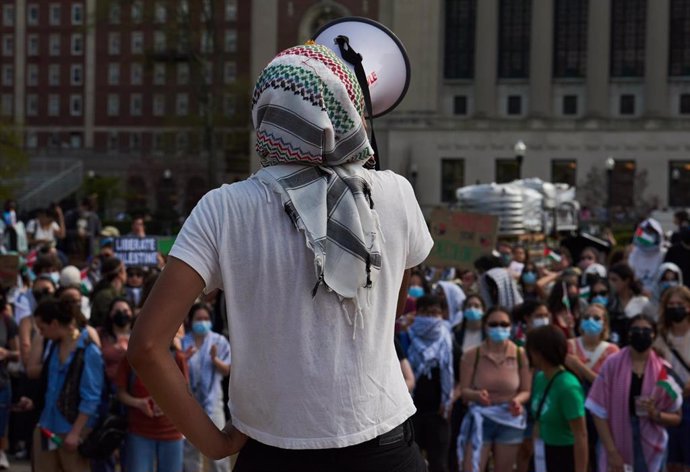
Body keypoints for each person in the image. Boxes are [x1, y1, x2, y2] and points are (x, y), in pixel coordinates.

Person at [127, 42, 433, 471]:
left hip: (273, 450)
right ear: (346, 108)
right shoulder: (396, 193)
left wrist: (214, 445)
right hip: (384, 442)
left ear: (264, 116)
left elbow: (146, 346)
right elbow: (390, 313)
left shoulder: (223, 208)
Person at [586, 314, 683, 472]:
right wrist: (611, 451)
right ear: (628, 333)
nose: (640, 333)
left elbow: (677, 417)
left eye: (646, 330)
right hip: (614, 440)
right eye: (635, 329)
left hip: (652, 443)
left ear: (654, 335)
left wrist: (655, 414)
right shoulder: (612, 364)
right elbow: (597, 410)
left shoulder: (663, 370)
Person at [27, 298, 104, 472]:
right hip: (47, 426)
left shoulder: (88, 351)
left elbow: (91, 397)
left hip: (71, 429)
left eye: (42, 328)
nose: (42, 333)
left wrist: (76, 433)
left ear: (54, 323)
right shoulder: (54, 346)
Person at [458, 307, 531, 472]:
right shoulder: (472, 355)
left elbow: (526, 390)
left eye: (504, 324)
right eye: (494, 324)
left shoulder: (520, 354)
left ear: (511, 326)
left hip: (509, 419)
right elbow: (464, 390)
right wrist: (476, 395)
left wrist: (517, 401)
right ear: (485, 326)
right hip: (480, 418)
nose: (499, 327)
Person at [115, 335, 188, 472]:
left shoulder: (177, 357)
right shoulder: (131, 358)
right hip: (139, 432)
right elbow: (121, 393)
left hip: (171, 433)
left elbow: (186, 395)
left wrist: (167, 404)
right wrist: (139, 403)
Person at [526, 325, 588, 472]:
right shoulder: (541, 378)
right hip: (543, 451)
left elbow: (580, 435)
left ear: (539, 353)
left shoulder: (568, 387)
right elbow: (538, 421)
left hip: (563, 455)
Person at [407, 295, 458, 472]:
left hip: (439, 413)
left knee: (439, 464)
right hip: (410, 413)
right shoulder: (406, 337)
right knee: (411, 463)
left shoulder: (449, 342)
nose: (430, 318)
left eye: (434, 313)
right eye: (425, 313)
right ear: (417, 314)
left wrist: (449, 401)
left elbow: (459, 377)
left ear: (441, 315)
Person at [181, 302, 232, 472]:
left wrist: (215, 359)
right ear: (190, 320)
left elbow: (227, 371)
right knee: (190, 449)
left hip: (213, 401)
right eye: (198, 319)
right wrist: (184, 358)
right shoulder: (184, 342)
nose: (202, 322)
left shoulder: (219, 341)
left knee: (218, 449)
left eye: (205, 318)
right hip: (190, 403)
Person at [652, 286, 690, 472]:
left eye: (680, 304)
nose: (675, 308)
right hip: (670, 402)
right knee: (672, 460)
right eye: (671, 304)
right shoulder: (659, 337)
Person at [608, 262, 649, 345]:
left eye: (614, 280)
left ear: (626, 281)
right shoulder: (610, 302)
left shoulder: (642, 302)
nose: (610, 283)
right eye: (609, 279)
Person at [0, 293, 19, 470]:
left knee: (2, 421)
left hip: (1, 381)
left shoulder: (7, 322)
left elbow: (17, 354)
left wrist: (6, 354)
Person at [628, 218, 666, 294]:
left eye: (651, 232)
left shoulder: (663, 254)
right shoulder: (634, 253)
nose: (647, 235)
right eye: (645, 232)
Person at [90, 257, 127, 328]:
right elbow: (108, 320)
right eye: (125, 270)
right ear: (120, 274)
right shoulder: (104, 295)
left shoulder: (120, 292)